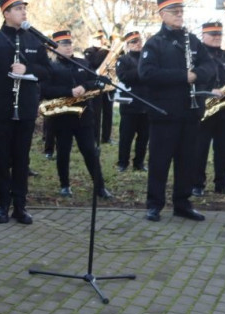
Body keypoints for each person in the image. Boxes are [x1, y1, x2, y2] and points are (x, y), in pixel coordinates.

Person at [0, 0, 51, 224]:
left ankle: (20, 206)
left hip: (26, 110)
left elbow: (47, 71)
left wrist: (28, 70)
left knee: (21, 160)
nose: (23, 12)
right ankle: (2, 205)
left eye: (24, 8)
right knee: (2, 159)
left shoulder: (35, 40)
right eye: (18, 9)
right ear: (6, 13)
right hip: (1, 110)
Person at [138, 0, 214, 222]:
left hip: (190, 112)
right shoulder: (155, 43)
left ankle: (182, 204)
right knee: (159, 162)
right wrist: (183, 76)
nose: (180, 15)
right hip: (164, 113)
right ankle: (154, 205)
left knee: (187, 162)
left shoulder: (193, 41)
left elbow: (209, 66)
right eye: (174, 12)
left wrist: (196, 74)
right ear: (162, 14)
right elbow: (147, 73)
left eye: (181, 11)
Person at [41, 30, 112, 199]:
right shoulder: (50, 67)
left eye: (70, 44)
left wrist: (85, 87)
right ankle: (64, 185)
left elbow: (94, 81)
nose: (68, 47)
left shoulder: (82, 63)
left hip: (83, 116)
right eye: (63, 45)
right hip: (61, 116)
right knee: (63, 152)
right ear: (54, 47)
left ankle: (100, 187)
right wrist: (69, 91)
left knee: (90, 151)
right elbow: (45, 90)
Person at [193, 21, 225, 196]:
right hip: (203, 109)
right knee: (199, 149)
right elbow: (192, 82)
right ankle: (197, 184)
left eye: (219, 34)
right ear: (203, 36)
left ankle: (222, 184)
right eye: (212, 34)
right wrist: (207, 91)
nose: (217, 37)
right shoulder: (196, 58)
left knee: (224, 150)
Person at [114, 31, 149, 172]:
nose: (137, 44)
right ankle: (123, 163)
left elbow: (152, 75)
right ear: (127, 45)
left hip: (146, 103)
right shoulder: (123, 60)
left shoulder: (147, 58)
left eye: (139, 41)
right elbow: (124, 76)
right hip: (130, 104)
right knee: (126, 136)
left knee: (144, 137)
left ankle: (139, 163)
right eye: (133, 42)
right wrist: (142, 71)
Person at [84, 30, 114, 144]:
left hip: (108, 85)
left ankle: (106, 137)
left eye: (101, 38)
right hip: (96, 86)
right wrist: (105, 52)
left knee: (108, 112)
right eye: (97, 38)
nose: (100, 40)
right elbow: (94, 64)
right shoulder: (89, 51)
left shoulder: (107, 51)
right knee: (96, 113)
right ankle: (95, 137)